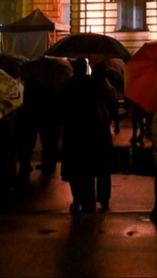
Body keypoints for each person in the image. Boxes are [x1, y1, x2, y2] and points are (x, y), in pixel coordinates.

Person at [60, 59, 112, 213]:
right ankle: (89, 201)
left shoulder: (67, 86)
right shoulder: (92, 86)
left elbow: (62, 110)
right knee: (88, 169)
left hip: (72, 132)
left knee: (74, 170)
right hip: (90, 132)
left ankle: (77, 200)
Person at [91, 63, 119, 209]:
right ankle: (104, 198)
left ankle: (88, 198)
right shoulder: (109, 89)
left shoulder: (89, 88)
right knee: (104, 167)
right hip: (103, 132)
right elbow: (114, 111)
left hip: (90, 132)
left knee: (89, 166)